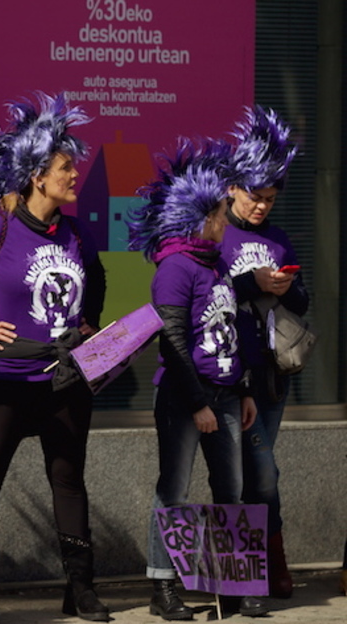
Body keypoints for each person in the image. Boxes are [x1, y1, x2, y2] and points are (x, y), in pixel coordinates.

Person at [0, 93, 108, 623]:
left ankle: (81, 588)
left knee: (69, 480)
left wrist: (87, 326)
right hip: (5, 380)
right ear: (37, 176)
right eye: (65, 167)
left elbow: (98, 279)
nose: (74, 174)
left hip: (66, 382)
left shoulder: (77, 232)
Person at [127, 137, 268, 620]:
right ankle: (163, 588)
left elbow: (230, 331)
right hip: (186, 398)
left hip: (228, 394)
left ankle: (235, 586)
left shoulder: (219, 265)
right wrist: (197, 404)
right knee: (175, 488)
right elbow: (173, 341)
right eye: (220, 214)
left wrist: (243, 390)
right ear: (201, 217)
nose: (226, 222)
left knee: (230, 489)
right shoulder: (176, 268)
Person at [218, 106, 304, 599]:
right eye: (254, 197)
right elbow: (204, 290)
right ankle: (264, 563)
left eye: (270, 199)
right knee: (258, 469)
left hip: (273, 372)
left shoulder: (277, 237)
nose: (262, 208)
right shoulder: (217, 231)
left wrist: (285, 287)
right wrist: (253, 282)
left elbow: (303, 300)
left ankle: (264, 562)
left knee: (261, 468)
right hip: (231, 370)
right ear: (232, 187)